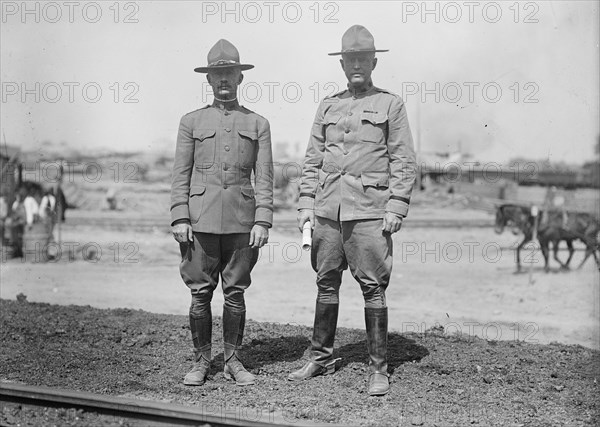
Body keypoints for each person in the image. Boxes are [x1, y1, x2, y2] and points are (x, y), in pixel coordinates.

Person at [288, 25, 417, 396]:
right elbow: (312, 160)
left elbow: (404, 160)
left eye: (363, 59)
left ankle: (379, 368)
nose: (356, 65)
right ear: (342, 64)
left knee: (373, 287)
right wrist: (305, 206)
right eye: (350, 59)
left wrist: (396, 205)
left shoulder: (390, 104)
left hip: (370, 211)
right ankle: (321, 357)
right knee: (325, 282)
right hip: (328, 211)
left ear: (374, 62)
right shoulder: (328, 105)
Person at [170, 39, 273, 387]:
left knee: (235, 292)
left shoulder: (258, 123)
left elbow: (266, 177)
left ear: (240, 78)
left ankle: (232, 360)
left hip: (242, 221)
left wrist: (263, 219)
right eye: (218, 74)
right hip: (199, 220)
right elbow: (180, 174)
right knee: (200, 293)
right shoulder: (191, 121)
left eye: (230, 73)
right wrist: (179, 215)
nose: (224, 80)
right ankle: (201, 361)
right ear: (209, 80)